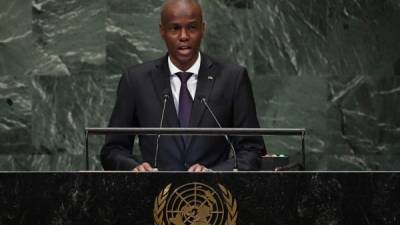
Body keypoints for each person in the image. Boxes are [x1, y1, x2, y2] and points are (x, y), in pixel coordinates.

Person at [101, 0, 266, 172]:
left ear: (203, 29)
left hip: (213, 195)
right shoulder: (136, 80)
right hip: (154, 194)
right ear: (162, 31)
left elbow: (252, 150)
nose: (184, 36)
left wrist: (215, 173)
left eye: (192, 28)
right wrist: (135, 168)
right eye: (175, 28)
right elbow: (113, 150)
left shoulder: (232, 78)